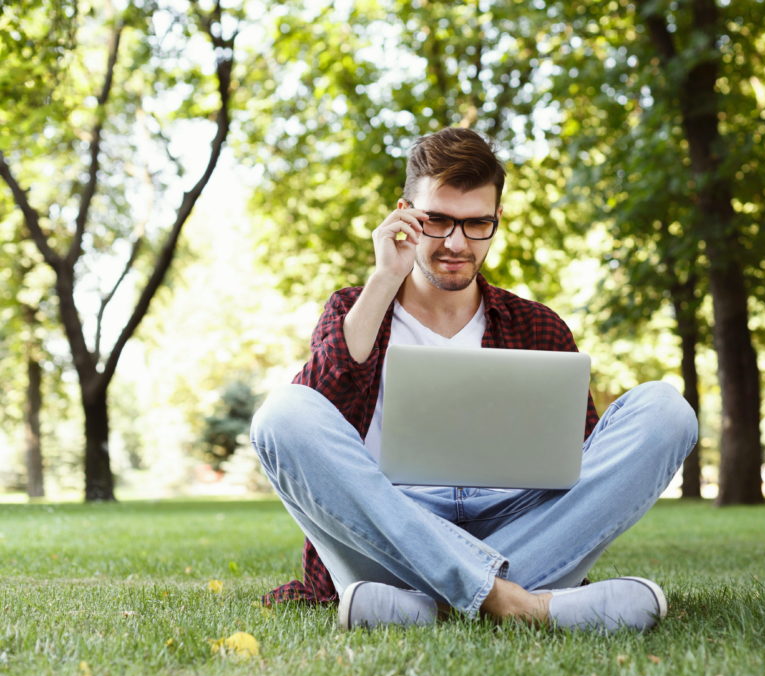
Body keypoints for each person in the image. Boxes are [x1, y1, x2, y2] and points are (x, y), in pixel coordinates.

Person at [249, 127, 698, 633]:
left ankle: (426, 608)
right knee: (283, 412)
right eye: (437, 221)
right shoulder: (354, 310)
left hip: (516, 523)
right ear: (404, 215)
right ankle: (520, 605)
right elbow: (313, 432)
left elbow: (580, 474)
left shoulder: (538, 326)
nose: (456, 243)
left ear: (497, 219)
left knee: (666, 409)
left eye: (476, 224)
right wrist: (384, 279)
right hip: (391, 527)